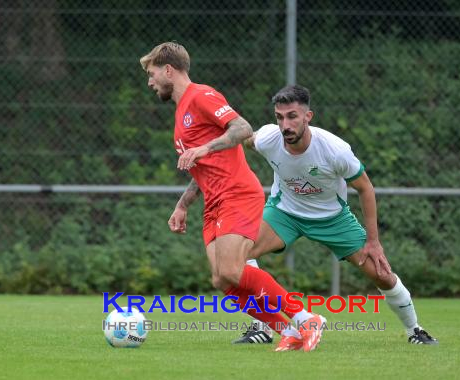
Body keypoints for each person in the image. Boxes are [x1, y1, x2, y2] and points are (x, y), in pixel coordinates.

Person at [139, 42, 326, 352]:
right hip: (213, 202)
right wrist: (183, 204)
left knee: (230, 270)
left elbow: (241, 128)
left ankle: (305, 318)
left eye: (152, 73)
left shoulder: (201, 96)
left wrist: (206, 147)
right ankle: (288, 331)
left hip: (236, 193)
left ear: (168, 70)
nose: (150, 81)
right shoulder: (181, 111)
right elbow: (204, 168)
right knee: (222, 281)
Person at [240, 84, 438, 346]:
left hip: (332, 219)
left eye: (292, 116)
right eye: (279, 117)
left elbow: (365, 188)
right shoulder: (267, 138)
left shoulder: (334, 150)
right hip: (284, 212)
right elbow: (242, 138)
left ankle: (415, 330)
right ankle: (262, 326)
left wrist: (373, 242)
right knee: (238, 256)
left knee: (381, 274)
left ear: (308, 117)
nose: (285, 124)